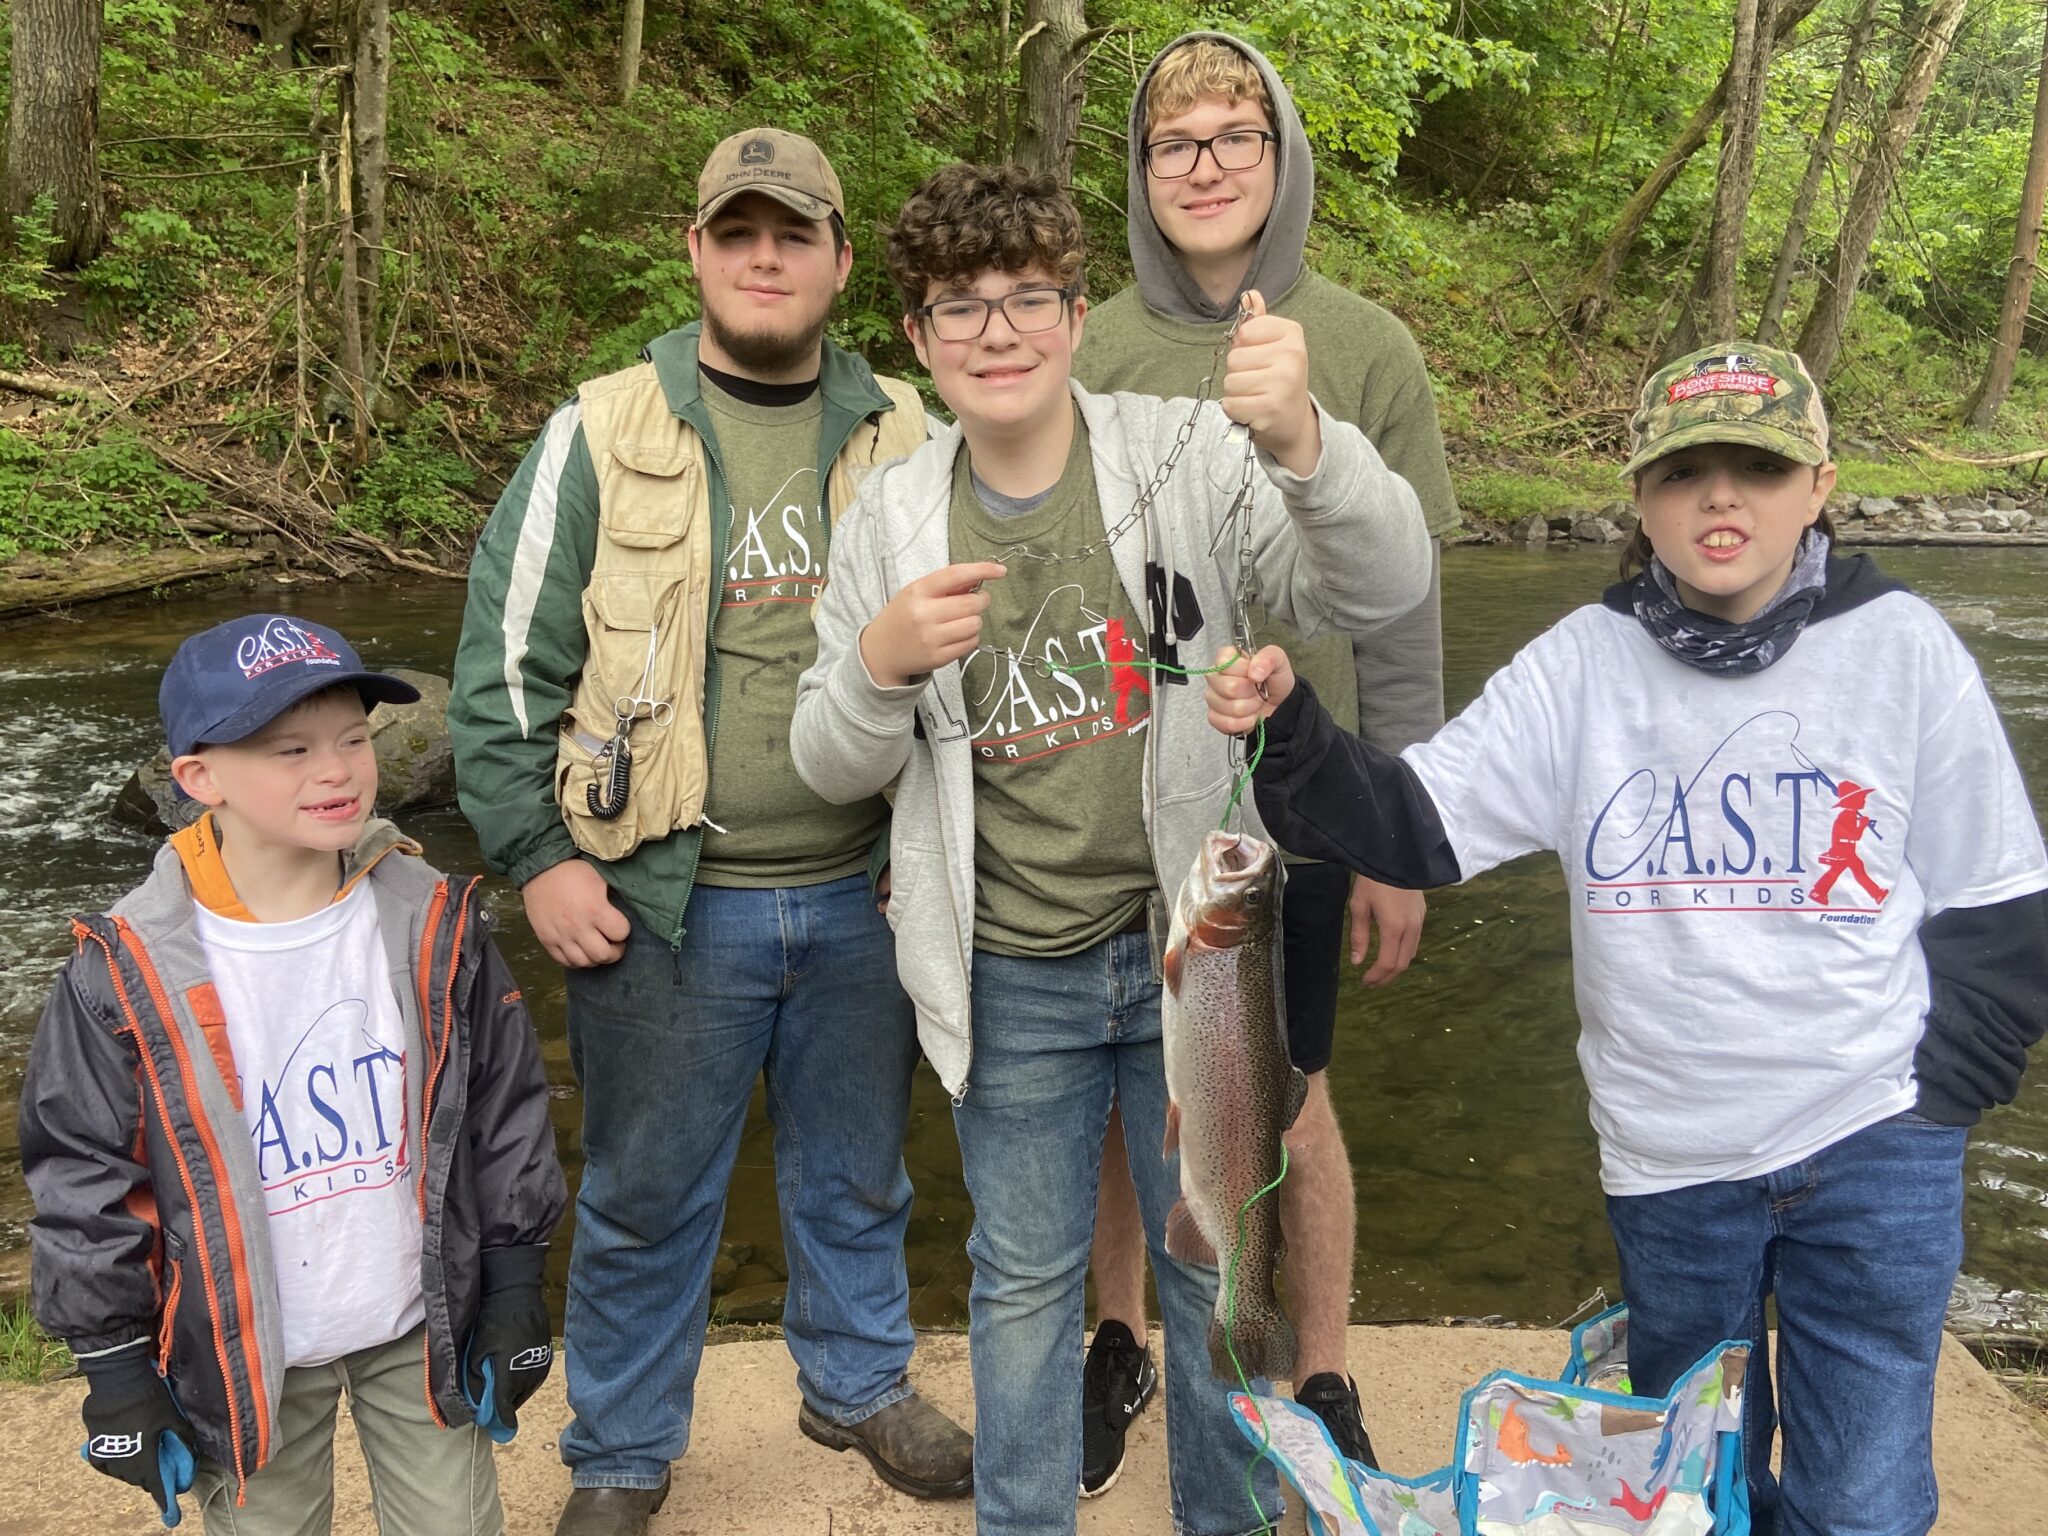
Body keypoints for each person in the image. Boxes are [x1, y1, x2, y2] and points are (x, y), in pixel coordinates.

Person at [1205, 343, 2048, 1536]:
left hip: (1873, 1145)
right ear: (1639, 500)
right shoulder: (1580, 669)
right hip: (1667, 1164)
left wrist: (1935, 1101)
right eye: (1684, 471)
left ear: (1817, 483)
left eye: (1754, 467)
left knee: (1858, 1498)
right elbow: (1408, 825)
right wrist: (1288, 728)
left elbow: (1999, 904)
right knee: (1685, 1489)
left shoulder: (1902, 649)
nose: (1719, 498)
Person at [789, 162, 1430, 1536]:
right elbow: (829, 762)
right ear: (914, 340)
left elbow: (1384, 582)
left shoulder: (1183, 456)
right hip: (1006, 972)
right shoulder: (887, 520)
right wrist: (880, 669)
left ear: (1079, 314)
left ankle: (1228, 1517)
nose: (997, 331)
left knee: (1216, 1268)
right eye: (959, 309)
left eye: (1028, 297)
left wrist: (1308, 438)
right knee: (1022, 1281)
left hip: (1198, 960)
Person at [448, 127, 969, 1536]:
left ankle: (856, 1382)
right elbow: (503, 675)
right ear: (696, 251)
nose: (763, 255)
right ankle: (620, 1453)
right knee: (642, 1197)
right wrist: (538, 861)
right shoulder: (598, 430)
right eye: (737, 230)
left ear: (839, 263)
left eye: (793, 233)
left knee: (862, 1173)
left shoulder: (912, 434)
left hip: (866, 896)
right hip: (661, 906)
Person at [1070, 31, 1463, 1482]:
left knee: (1293, 1097)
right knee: (1131, 1083)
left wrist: (1400, 837)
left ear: (1283, 156)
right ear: (1141, 172)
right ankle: (1118, 1340)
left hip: (1293, 802)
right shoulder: (1087, 342)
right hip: (1101, 790)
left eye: (1238, 136)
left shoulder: (1366, 345)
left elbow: (1408, 599)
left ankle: (1323, 1367)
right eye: (1178, 144)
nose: (1209, 166)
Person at [22, 613, 566, 1534]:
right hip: (238, 1351)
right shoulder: (123, 968)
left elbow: (502, 1112)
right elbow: (81, 1170)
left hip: (417, 1318)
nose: (338, 769)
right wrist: (115, 1368)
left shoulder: (430, 917)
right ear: (197, 778)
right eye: (290, 749)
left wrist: (513, 1287)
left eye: (356, 737)